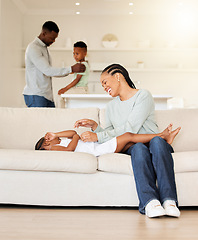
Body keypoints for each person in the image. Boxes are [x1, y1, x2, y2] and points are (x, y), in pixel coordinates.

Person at [74, 63, 181, 218]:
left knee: (157, 142)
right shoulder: (110, 107)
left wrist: (98, 136)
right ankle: (150, 202)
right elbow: (112, 136)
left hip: (155, 143)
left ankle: (169, 201)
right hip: (133, 146)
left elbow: (131, 127)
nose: (104, 87)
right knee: (138, 148)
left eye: (105, 82)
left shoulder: (143, 95)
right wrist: (96, 128)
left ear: (117, 76)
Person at [23, 21, 85, 108]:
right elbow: (48, 70)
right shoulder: (34, 48)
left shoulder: (44, 48)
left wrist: (71, 70)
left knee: (51, 121)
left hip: (46, 96)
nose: (53, 41)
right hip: (36, 95)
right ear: (44, 33)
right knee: (40, 122)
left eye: (55, 38)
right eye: (52, 38)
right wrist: (71, 69)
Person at [35, 124, 180, 158]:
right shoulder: (51, 149)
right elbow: (69, 149)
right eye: (50, 139)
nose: (57, 138)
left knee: (129, 144)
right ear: (46, 145)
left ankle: (164, 142)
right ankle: (161, 136)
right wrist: (76, 138)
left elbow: (73, 133)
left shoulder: (59, 141)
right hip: (98, 151)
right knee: (128, 135)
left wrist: (55, 134)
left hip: (99, 146)